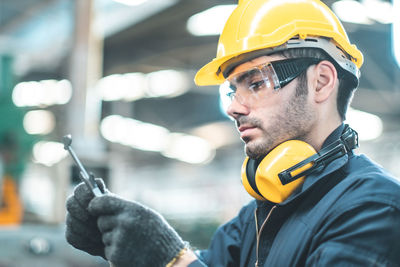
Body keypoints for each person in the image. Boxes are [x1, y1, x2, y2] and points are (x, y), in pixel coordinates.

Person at [65, 0, 400, 266]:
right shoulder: (261, 213)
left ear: (321, 82)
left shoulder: (373, 209)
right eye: (232, 90)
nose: (233, 108)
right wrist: (118, 242)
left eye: (255, 83)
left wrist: (173, 262)